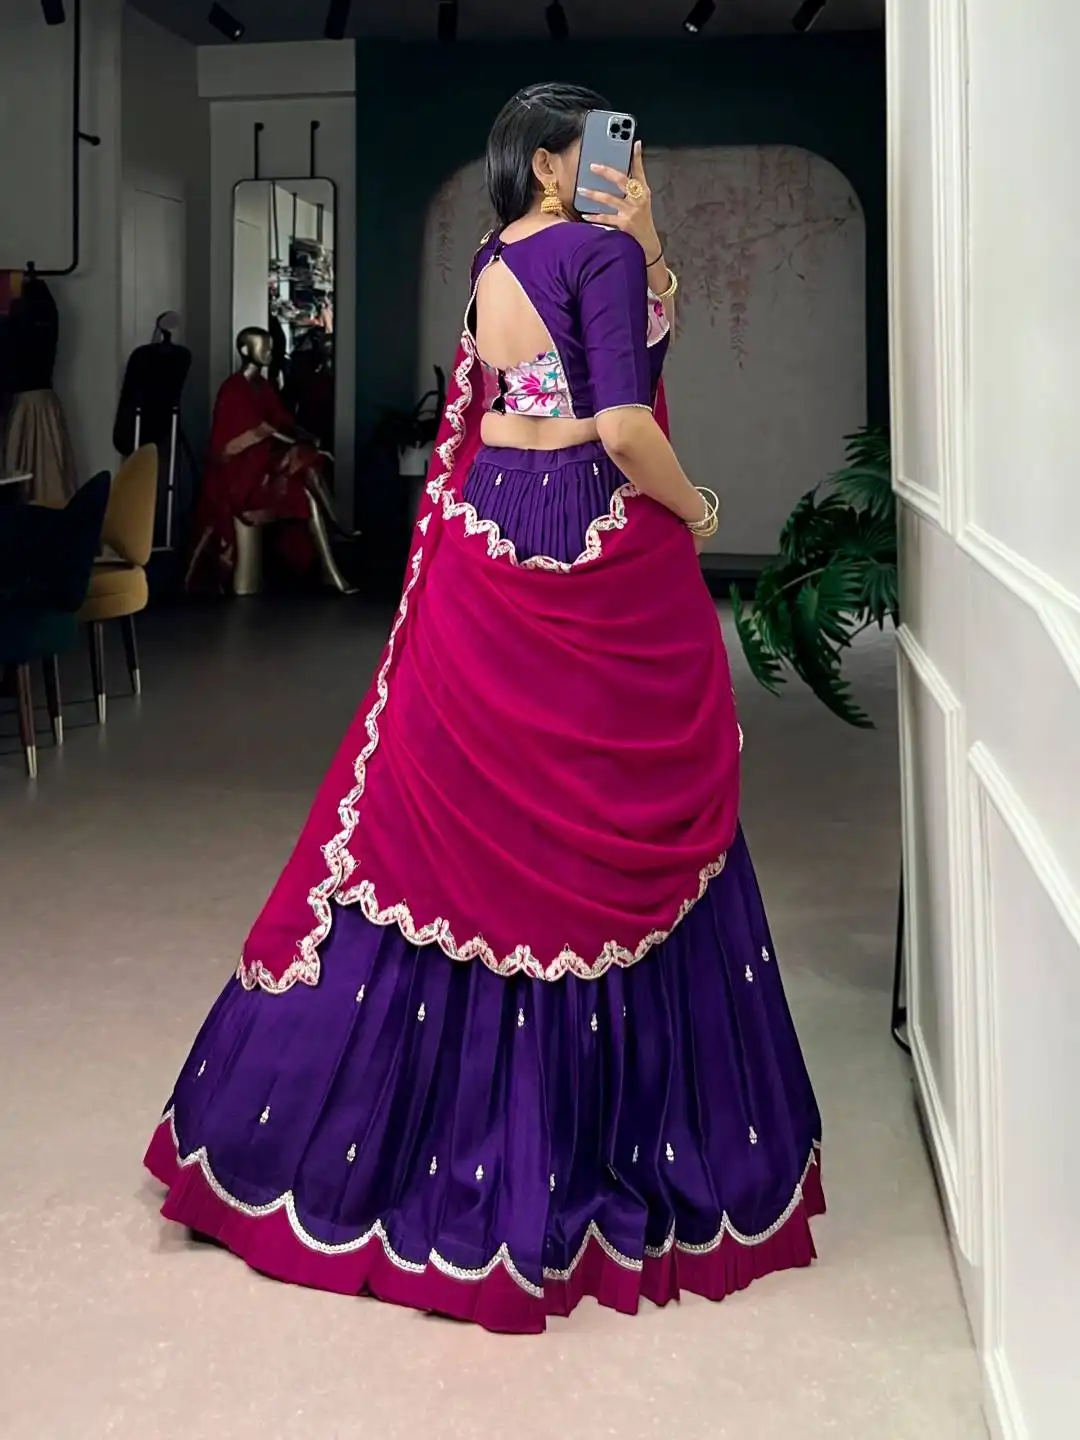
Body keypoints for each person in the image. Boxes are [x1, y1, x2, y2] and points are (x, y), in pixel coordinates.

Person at [145, 83, 824, 1334]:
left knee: (446, 830)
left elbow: (560, 375)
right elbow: (623, 423)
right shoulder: (592, 255)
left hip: (488, 534)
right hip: (588, 533)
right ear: (559, 162)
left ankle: (346, 1134)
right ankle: (581, 1146)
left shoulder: (498, 253)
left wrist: (652, 243)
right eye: (604, 149)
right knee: (599, 820)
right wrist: (699, 511)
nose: (622, 165)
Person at [187, 326, 324, 588]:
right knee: (302, 464)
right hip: (236, 473)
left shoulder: (263, 386)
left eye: (271, 347)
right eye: (265, 347)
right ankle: (338, 533)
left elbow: (282, 421)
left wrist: (305, 436)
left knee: (306, 472)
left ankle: (330, 563)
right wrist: (295, 441)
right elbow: (248, 435)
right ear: (245, 349)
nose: (270, 352)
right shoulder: (233, 388)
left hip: (260, 464)